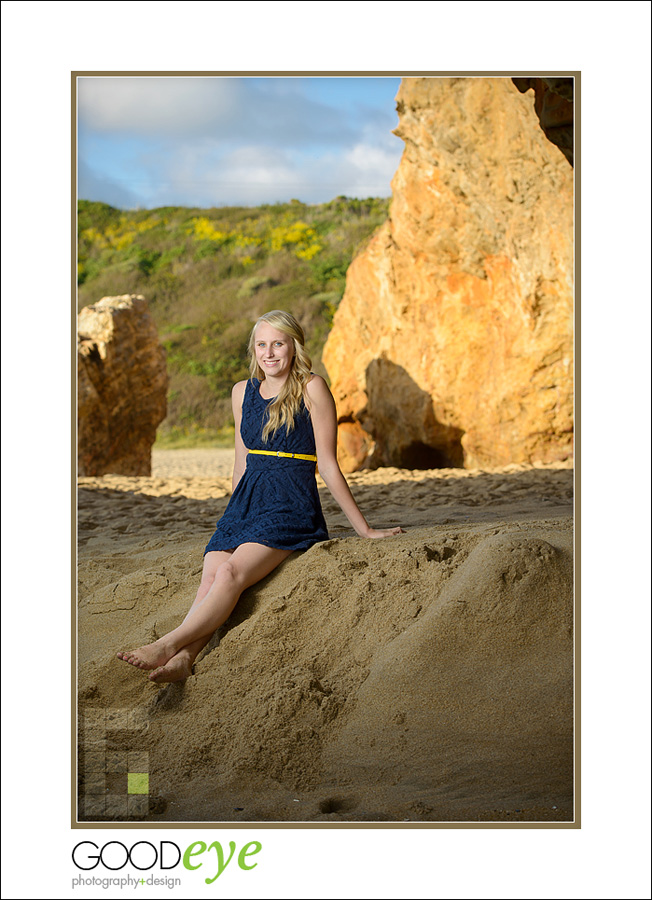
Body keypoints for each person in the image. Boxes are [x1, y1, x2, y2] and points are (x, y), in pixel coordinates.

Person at [118, 310, 404, 683]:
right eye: (262, 344)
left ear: (293, 346)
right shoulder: (241, 392)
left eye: (278, 344)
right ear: (254, 350)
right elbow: (241, 462)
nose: (270, 353)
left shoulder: (311, 388)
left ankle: (167, 645)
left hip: (291, 501)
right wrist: (234, 519)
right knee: (211, 574)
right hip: (248, 501)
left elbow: (329, 465)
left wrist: (364, 530)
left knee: (232, 573)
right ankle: (184, 659)